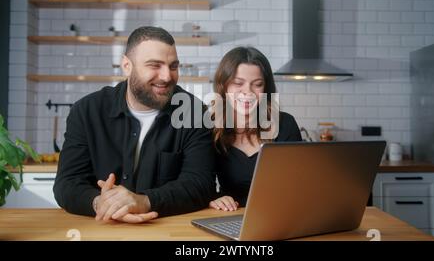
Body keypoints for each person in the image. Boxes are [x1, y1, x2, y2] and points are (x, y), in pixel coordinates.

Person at [53, 26, 216, 223]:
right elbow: (67, 183)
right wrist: (102, 203)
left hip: (166, 230)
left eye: (173, 66)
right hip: (101, 228)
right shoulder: (87, 111)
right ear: (127, 65)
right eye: (155, 65)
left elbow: (199, 184)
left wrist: (144, 201)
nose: (166, 76)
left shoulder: (194, 112)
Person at [209, 47, 302, 212]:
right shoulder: (210, 128)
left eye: (257, 84)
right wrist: (213, 197)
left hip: (278, 215)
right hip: (227, 216)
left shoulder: (285, 124)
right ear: (223, 85)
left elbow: (298, 183)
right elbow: (198, 181)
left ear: (266, 89)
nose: (248, 92)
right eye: (238, 83)